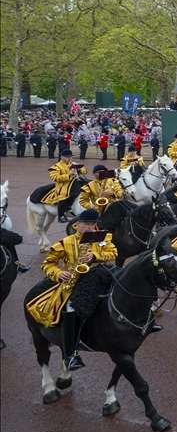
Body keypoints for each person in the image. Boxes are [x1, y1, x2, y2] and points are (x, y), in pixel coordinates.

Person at [26, 209, 118, 371]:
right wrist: (59, 273)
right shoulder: (64, 243)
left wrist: (95, 256)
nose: (90, 227)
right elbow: (47, 264)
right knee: (71, 309)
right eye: (87, 224)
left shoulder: (101, 238)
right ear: (77, 224)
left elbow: (113, 252)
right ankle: (71, 355)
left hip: (100, 276)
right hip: (74, 281)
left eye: (92, 224)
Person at [42, 149, 87, 223]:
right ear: (62, 157)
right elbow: (55, 178)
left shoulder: (73, 164)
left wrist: (79, 169)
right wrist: (68, 174)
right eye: (67, 157)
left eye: (70, 157)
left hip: (76, 182)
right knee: (64, 195)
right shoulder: (56, 167)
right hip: (63, 185)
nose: (70, 158)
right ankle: (61, 215)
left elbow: (85, 171)